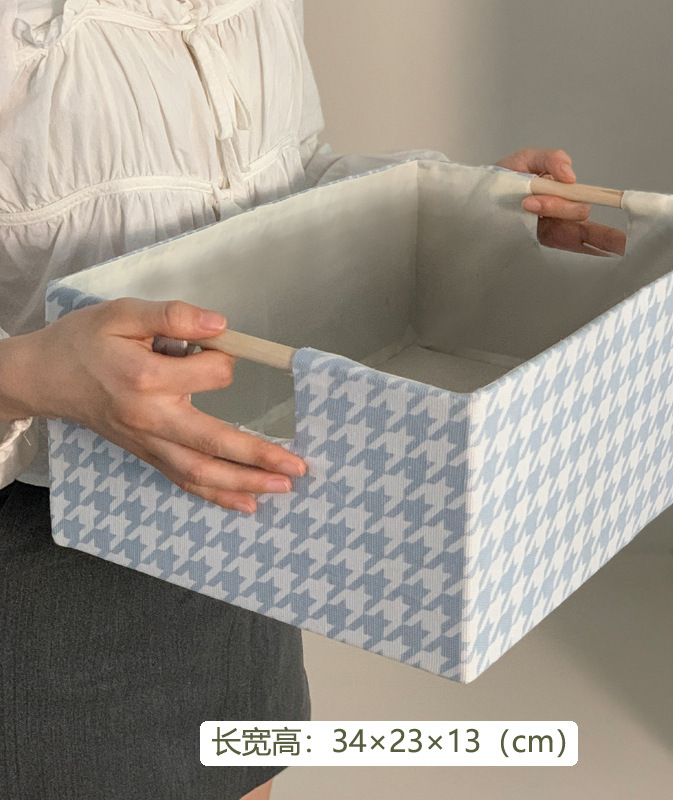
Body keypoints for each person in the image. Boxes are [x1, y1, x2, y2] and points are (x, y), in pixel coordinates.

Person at [0, 1, 624, 798]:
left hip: (247, 514)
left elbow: (289, 178)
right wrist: (33, 372)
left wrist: (462, 209)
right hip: (49, 549)